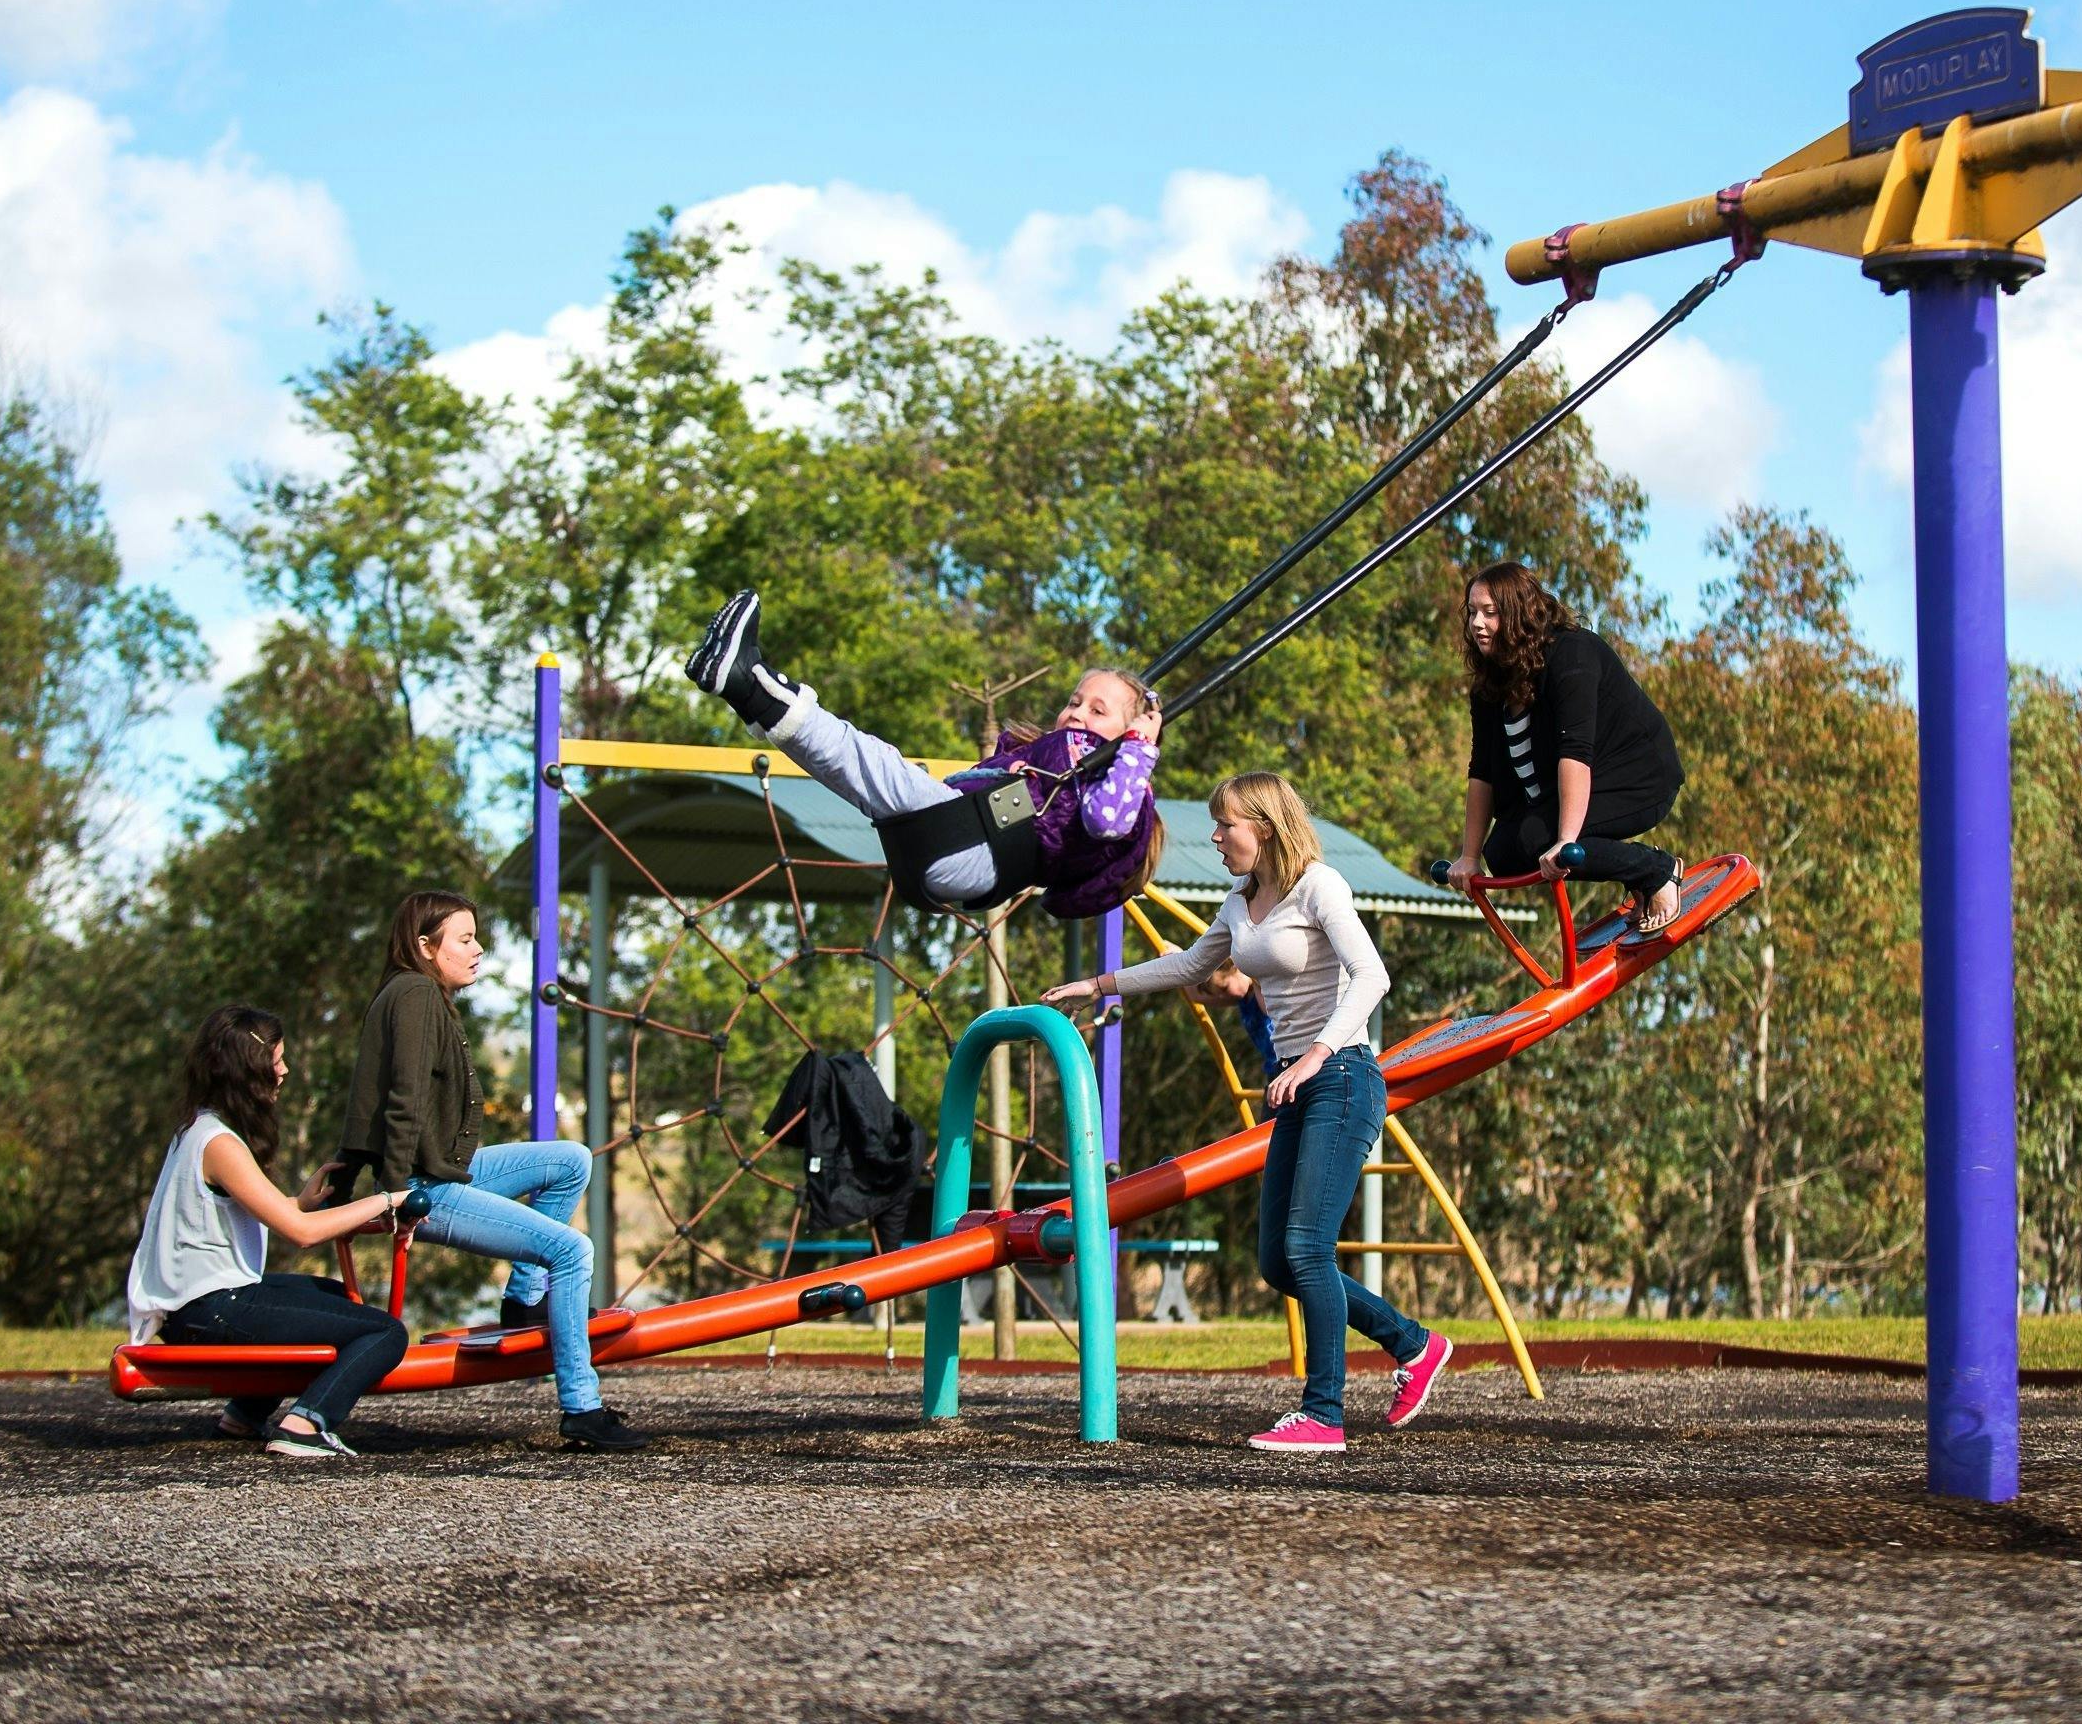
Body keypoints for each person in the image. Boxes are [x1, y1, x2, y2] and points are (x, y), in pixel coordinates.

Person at [1044, 771, 1452, 1454]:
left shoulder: (1319, 886)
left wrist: (1315, 1054)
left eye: (1225, 824)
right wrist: (1099, 985)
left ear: (1262, 826)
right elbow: (1189, 965)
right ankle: (1414, 1343)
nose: (1214, 836)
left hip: (1342, 1076)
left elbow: (1371, 975)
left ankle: (1322, 1413)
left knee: (1307, 1250)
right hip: (1299, 1084)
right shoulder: (1240, 898)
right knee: (1277, 1262)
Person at [335, 890, 647, 1453]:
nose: (478, 949)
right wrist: (397, 1195)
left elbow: (372, 1102)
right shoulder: (414, 996)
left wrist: (353, 1167)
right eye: (465, 939)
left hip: (443, 1171)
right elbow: (400, 1099)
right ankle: (582, 1407)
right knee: (573, 1252)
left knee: (569, 1160)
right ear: (426, 947)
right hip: (424, 1187)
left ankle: (524, 1299)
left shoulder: (414, 992)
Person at [687, 589, 1164, 918]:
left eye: (1098, 710)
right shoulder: (1054, 764)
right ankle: (749, 693)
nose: (1077, 715)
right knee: (861, 768)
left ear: (1128, 734)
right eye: (1074, 701)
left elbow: (1109, 821)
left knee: (870, 761)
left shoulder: (1117, 778)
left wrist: (1139, 750)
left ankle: (753, 681)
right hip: (948, 847)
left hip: (971, 849)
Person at [127, 1005, 417, 1459]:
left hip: (203, 1304)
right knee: (385, 1333)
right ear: (247, 1072)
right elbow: (300, 1234)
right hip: (210, 1310)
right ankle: (305, 1425)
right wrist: (386, 1201)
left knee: (334, 1297)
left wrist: (298, 1201)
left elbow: (273, 1212)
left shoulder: (201, 1127)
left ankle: (244, 1414)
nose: (284, 1071)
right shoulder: (219, 1143)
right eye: (275, 1062)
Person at [1447, 561, 1689, 934]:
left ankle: (1657, 872)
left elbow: (1575, 751)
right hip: (1569, 784)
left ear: (1517, 614)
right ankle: (1637, 873)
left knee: (1539, 843)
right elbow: (1482, 770)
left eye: (1490, 613)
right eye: (1473, 612)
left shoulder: (1572, 655)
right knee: (1504, 853)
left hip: (1640, 778)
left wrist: (1565, 840)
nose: (1477, 623)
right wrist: (1468, 856)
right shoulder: (1489, 684)